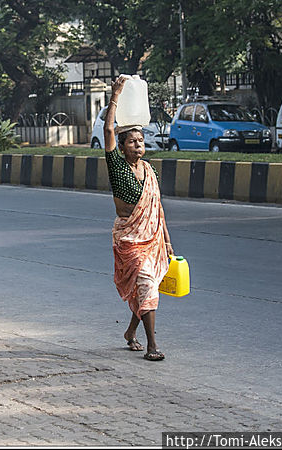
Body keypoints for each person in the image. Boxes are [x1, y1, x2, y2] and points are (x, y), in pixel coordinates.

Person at [103, 76, 174, 361]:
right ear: (121, 147)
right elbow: (109, 127)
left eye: (141, 141)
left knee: (146, 287)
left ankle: (131, 333)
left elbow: (157, 209)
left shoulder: (150, 171)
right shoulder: (116, 166)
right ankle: (152, 346)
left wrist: (167, 242)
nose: (138, 145)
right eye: (132, 142)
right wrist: (116, 94)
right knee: (145, 283)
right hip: (129, 238)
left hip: (153, 238)